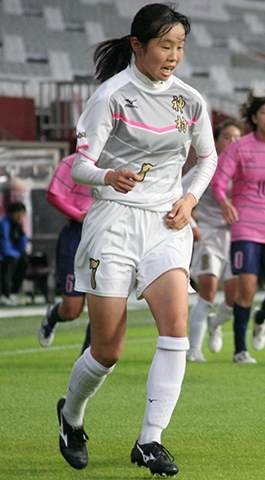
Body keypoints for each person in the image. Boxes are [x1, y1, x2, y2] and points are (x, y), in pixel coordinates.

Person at [55, 4, 217, 476]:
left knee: (176, 328)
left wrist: (189, 200)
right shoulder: (111, 96)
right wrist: (108, 174)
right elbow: (77, 165)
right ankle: (71, 416)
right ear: (137, 45)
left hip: (166, 223)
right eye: (165, 45)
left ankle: (150, 440)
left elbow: (205, 158)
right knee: (108, 349)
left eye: (180, 46)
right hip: (113, 221)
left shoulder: (190, 100)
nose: (173, 56)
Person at [211, 89, 265, 364]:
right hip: (246, 223)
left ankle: (260, 319)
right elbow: (217, 182)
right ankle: (240, 350)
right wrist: (225, 202)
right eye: (263, 113)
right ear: (253, 117)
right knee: (246, 286)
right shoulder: (239, 147)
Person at [186, 119, 243, 362]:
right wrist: (193, 224)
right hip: (209, 234)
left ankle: (215, 323)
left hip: (239, 236)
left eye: (237, 137)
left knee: (235, 298)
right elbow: (176, 195)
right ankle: (193, 349)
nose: (233, 142)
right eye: (227, 137)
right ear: (217, 141)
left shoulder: (246, 168)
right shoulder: (207, 167)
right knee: (207, 291)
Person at [38, 154, 92, 352]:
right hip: (76, 236)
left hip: (107, 238)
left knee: (103, 305)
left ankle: (86, 361)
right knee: (72, 310)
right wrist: (79, 215)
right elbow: (53, 195)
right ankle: (53, 315)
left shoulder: (121, 160)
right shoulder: (73, 162)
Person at [0, 201, 29, 306]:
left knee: (24, 261)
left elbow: (22, 246)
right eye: (19, 214)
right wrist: (15, 254)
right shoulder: (4, 224)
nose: (21, 217)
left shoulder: (18, 226)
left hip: (13, 254)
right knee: (9, 263)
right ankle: (5, 294)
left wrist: (22, 234)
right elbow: (4, 245)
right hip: (3, 255)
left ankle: (13, 293)